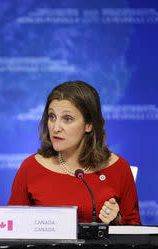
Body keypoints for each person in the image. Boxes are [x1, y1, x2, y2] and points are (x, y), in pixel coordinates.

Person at [8, 81, 141, 225]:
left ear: (89, 124)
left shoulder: (118, 168)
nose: (56, 127)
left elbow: (136, 234)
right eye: (52, 116)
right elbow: (12, 226)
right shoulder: (31, 167)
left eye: (67, 119)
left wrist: (116, 220)